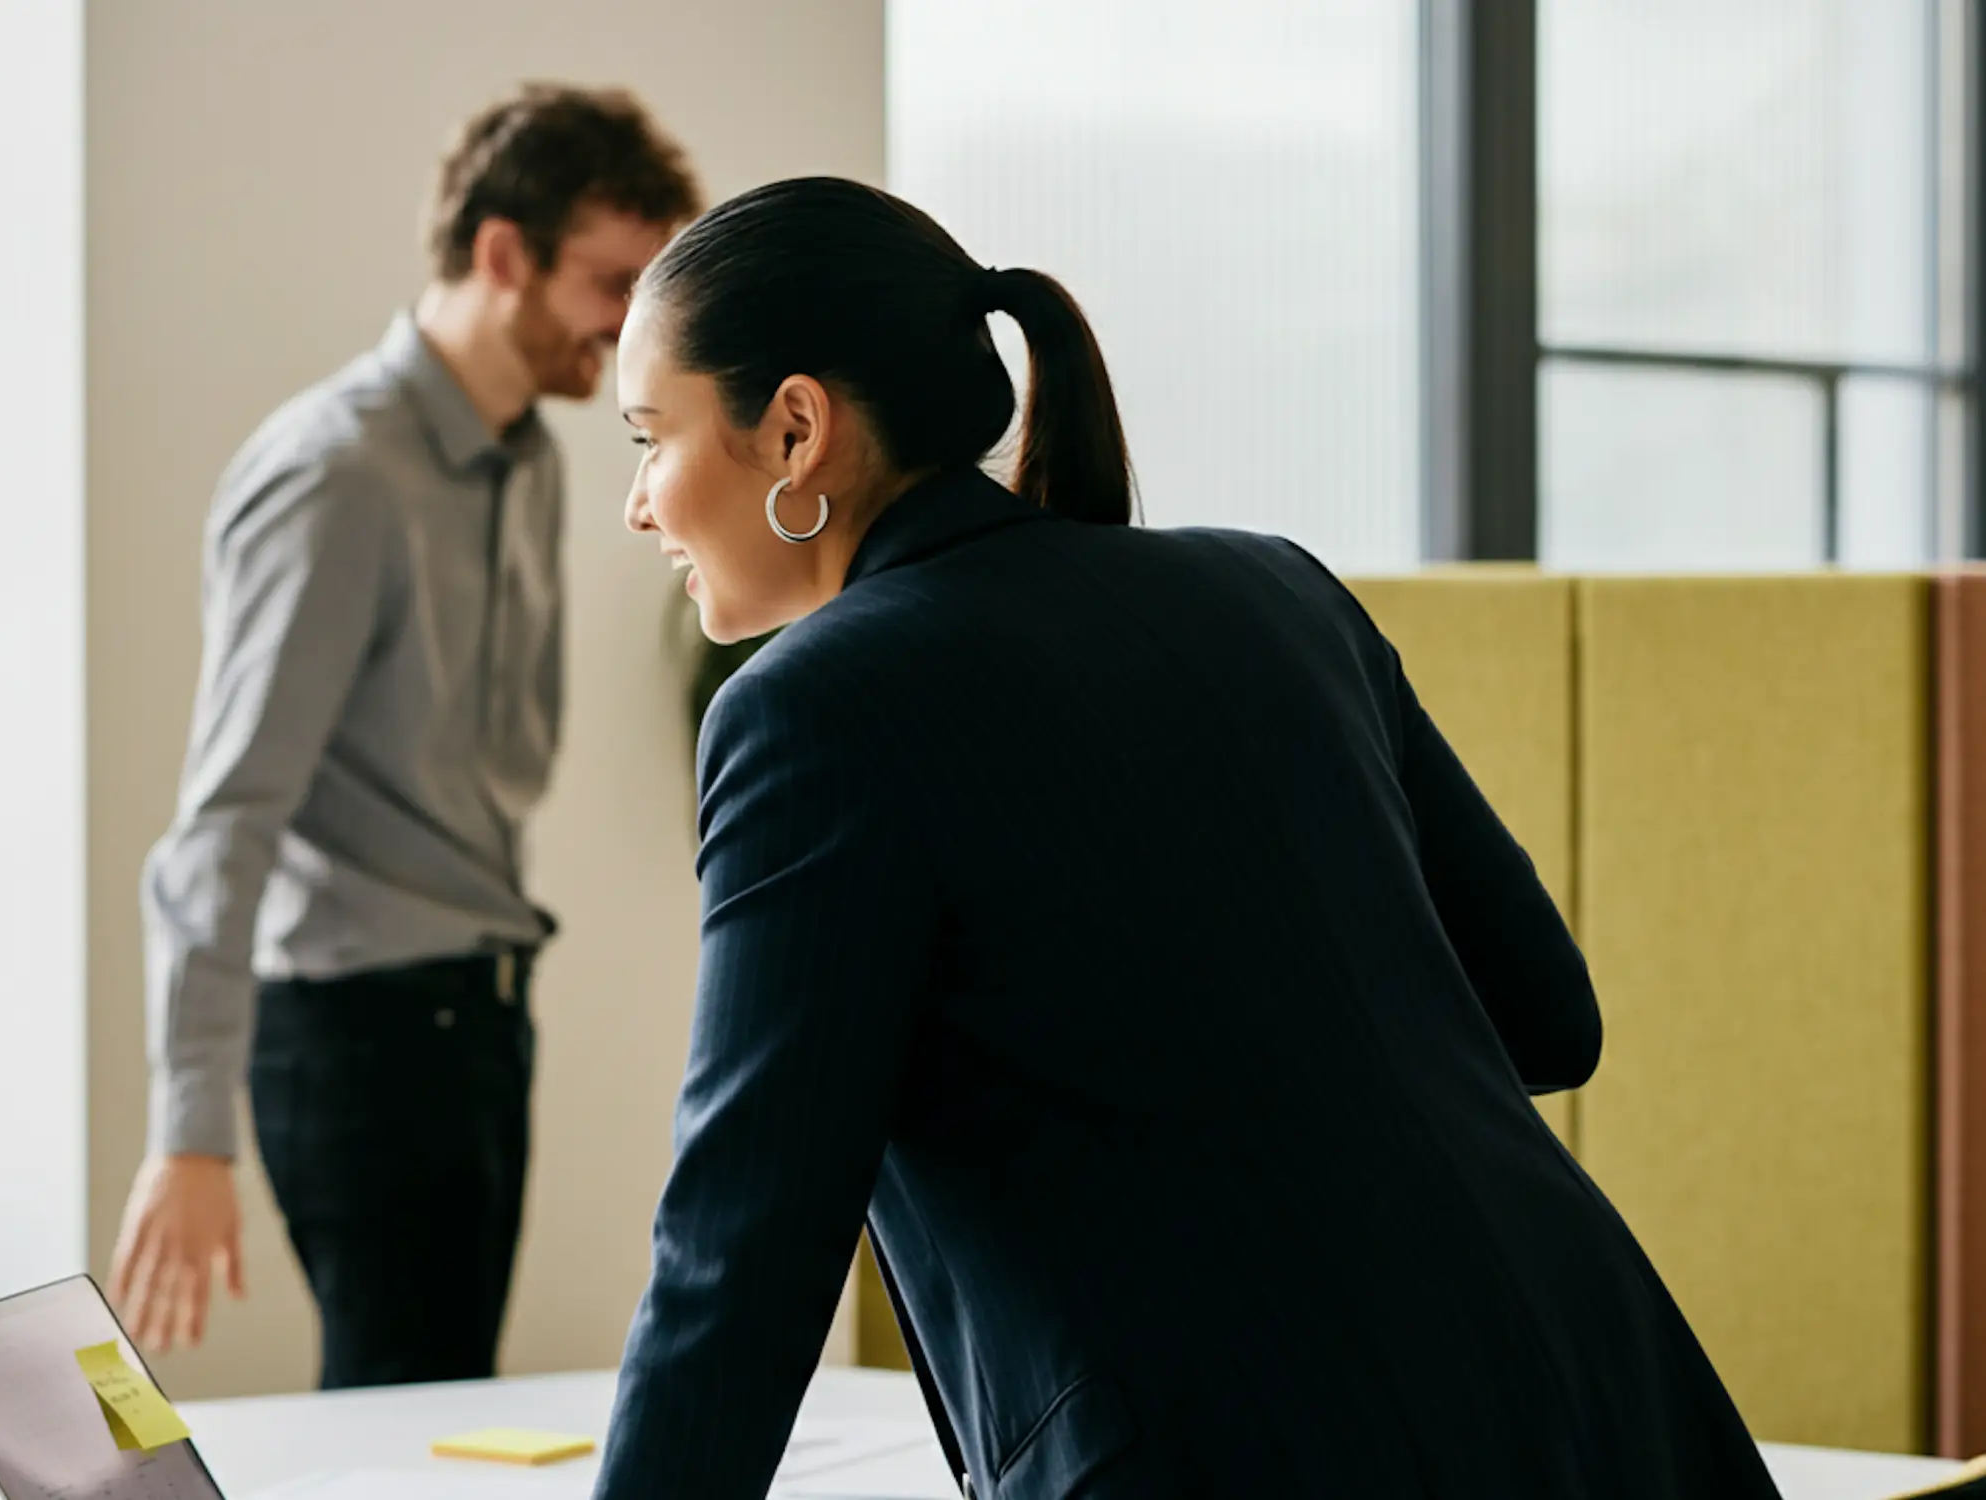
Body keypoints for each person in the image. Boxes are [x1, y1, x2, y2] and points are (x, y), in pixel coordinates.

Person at [596, 176, 1779, 1499]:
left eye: (651, 437)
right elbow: (1550, 1018)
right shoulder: (1276, 589)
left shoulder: (815, 710)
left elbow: (741, 1260)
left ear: (796, 429)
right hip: (1613, 1403)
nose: (639, 502)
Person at [109, 85, 700, 1389]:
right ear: (504, 255)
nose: (633, 326)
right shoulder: (337, 472)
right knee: (395, 1422)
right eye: (615, 282)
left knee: (439, 1418)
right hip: (359, 1033)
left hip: (479, 1017)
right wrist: (188, 1133)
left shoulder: (531, 464)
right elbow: (228, 817)